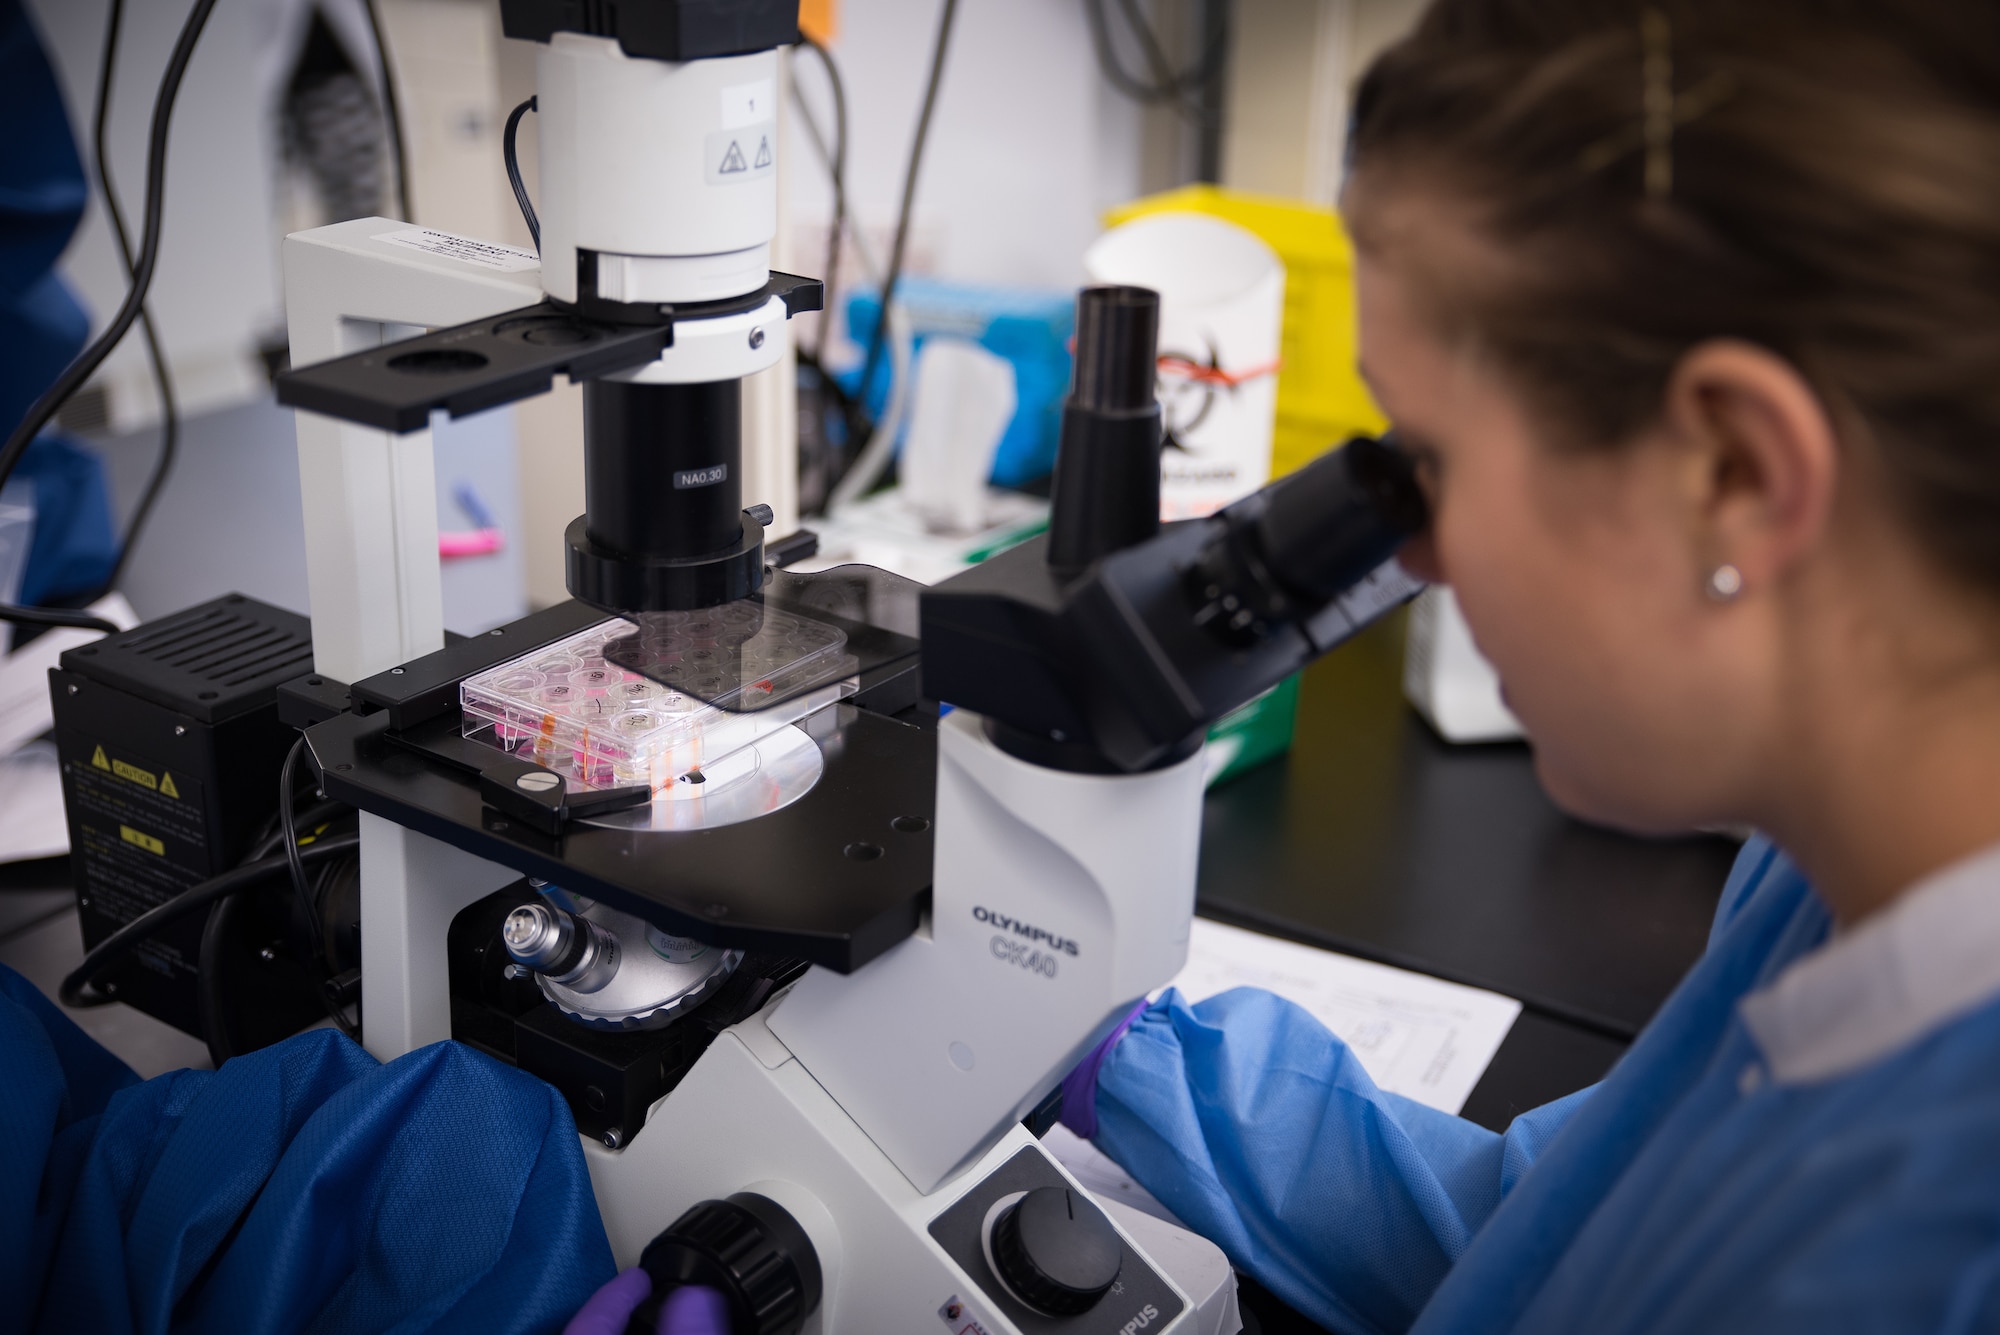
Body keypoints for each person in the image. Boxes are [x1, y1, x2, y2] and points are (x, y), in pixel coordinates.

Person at [1059, 2, 2000, 1332]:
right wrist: (1105, 1051)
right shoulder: (1834, 878)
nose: (1419, 556)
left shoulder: (1934, 1259)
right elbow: (1552, 1234)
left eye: (1429, 456)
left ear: (1732, 473)